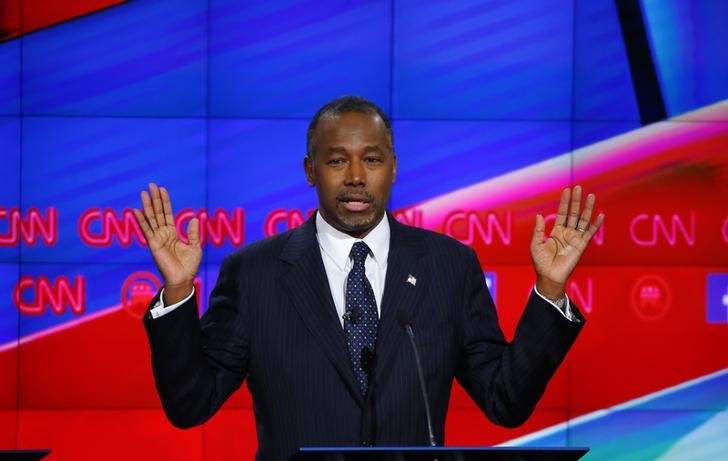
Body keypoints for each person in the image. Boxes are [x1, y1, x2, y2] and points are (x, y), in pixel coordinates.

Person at [135, 96, 604, 461]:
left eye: (372, 160)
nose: (356, 177)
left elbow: (506, 401)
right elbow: (190, 406)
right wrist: (178, 292)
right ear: (310, 171)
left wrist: (550, 290)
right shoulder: (255, 273)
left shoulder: (448, 266)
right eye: (337, 161)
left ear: (394, 169)